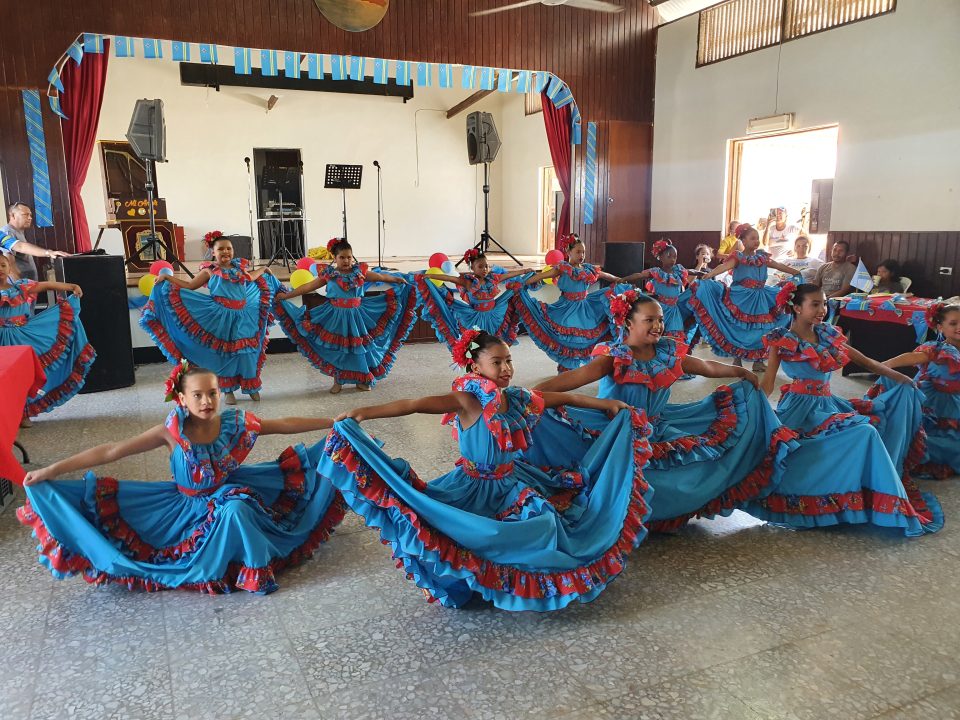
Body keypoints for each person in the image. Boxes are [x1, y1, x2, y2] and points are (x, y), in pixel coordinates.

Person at [317, 329, 653, 611]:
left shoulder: (518, 397)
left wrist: (606, 403)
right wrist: (364, 412)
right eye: (497, 362)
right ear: (474, 365)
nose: (506, 368)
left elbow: (562, 398)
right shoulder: (468, 400)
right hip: (473, 484)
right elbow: (414, 404)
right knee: (464, 532)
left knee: (545, 522)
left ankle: (529, 579)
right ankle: (477, 581)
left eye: (509, 360)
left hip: (511, 480)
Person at [18, 362, 345, 594]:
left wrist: (331, 421)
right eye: (198, 395)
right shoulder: (171, 432)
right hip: (188, 505)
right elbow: (110, 451)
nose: (207, 401)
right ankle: (232, 565)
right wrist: (51, 470)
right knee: (233, 510)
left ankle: (253, 566)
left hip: (230, 490)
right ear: (182, 399)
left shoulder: (234, 423)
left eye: (213, 393)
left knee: (237, 506)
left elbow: (283, 423)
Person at [524, 291, 798, 532]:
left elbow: (705, 366)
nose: (658, 326)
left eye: (660, 319)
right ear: (628, 323)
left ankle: (662, 516)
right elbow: (573, 379)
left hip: (657, 426)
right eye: (649, 320)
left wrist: (738, 371)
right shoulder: (615, 357)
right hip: (615, 431)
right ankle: (617, 516)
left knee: (690, 467)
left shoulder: (668, 354)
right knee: (620, 476)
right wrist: (532, 394)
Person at [744, 284, 942, 535]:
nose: (822, 309)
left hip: (828, 403)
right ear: (796, 307)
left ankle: (864, 497)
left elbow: (866, 361)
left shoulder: (828, 333)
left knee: (868, 428)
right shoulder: (781, 339)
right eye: (814, 304)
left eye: (824, 303)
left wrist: (902, 379)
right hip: (800, 408)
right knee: (860, 433)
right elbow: (769, 383)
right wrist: (753, 410)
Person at [140, 234, 281, 405]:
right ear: (213, 252)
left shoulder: (239, 268)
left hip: (244, 317)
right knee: (225, 354)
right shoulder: (209, 271)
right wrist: (168, 277)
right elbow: (190, 286)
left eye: (229, 248)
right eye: (220, 249)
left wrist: (264, 269)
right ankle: (228, 391)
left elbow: (250, 278)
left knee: (247, 353)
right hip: (220, 317)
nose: (225, 252)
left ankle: (251, 386)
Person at [274, 238, 416, 394]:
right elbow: (308, 287)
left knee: (360, 349)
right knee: (340, 350)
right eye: (342, 257)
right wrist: (287, 296)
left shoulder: (359, 272)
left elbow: (380, 277)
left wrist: (396, 279)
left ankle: (363, 379)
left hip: (357, 316)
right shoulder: (329, 275)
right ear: (334, 258)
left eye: (349, 257)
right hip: (335, 317)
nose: (346, 260)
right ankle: (338, 380)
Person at [686, 223, 800, 372]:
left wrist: (795, 273)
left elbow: (778, 265)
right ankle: (737, 359)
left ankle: (758, 361)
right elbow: (724, 267)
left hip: (761, 297)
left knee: (762, 329)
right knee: (740, 327)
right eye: (752, 238)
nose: (756, 241)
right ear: (743, 241)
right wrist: (710, 274)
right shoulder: (738, 257)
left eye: (757, 238)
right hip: (742, 297)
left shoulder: (763, 257)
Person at [0, 253, 94, 427]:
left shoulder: (20, 287)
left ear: (9, 267)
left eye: (2, 265)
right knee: (5, 380)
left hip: (24, 337)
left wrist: (71, 285)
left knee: (25, 376)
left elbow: (44, 285)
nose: (0, 269)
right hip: (3, 342)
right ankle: (6, 416)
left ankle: (24, 413)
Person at [514, 233, 625, 372]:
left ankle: (575, 366)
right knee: (569, 338)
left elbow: (605, 275)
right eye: (578, 251)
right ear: (568, 252)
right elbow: (542, 276)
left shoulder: (588, 269)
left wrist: (619, 280)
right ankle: (566, 365)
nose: (581, 255)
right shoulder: (562, 268)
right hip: (566, 307)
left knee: (584, 337)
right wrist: (523, 282)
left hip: (585, 306)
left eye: (583, 252)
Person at [879, 302, 960, 479]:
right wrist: (884, 366)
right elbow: (913, 357)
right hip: (932, 406)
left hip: (956, 407)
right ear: (940, 327)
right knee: (926, 442)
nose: (959, 327)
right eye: (953, 324)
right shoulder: (938, 349)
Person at [415, 248, 531, 351]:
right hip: (475, 317)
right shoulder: (468, 282)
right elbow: (449, 278)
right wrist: (431, 276)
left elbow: (509, 275)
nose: (485, 269)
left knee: (493, 338)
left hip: (494, 313)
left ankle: (492, 357)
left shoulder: (493, 279)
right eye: (480, 267)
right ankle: (476, 361)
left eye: (486, 266)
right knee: (477, 341)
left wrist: (524, 271)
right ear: (472, 268)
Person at [622, 240, 692, 345]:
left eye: (675, 257)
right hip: (660, 309)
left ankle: (672, 354)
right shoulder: (656, 272)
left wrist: (703, 273)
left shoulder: (678, 271)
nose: (672, 259)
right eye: (669, 256)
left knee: (675, 334)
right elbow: (640, 275)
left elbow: (691, 271)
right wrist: (622, 279)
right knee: (658, 332)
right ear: (661, 257)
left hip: (674, 310)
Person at [0, 202, 70, 282]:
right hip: (20, 287)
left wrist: (48, 253)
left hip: (27, 286)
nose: (30, 218)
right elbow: (9, 266)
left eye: (30, 215)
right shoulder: (8, 232)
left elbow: (20, 246)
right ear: (12, 216)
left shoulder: (6, 235)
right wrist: (20, 287)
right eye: (25, 215)